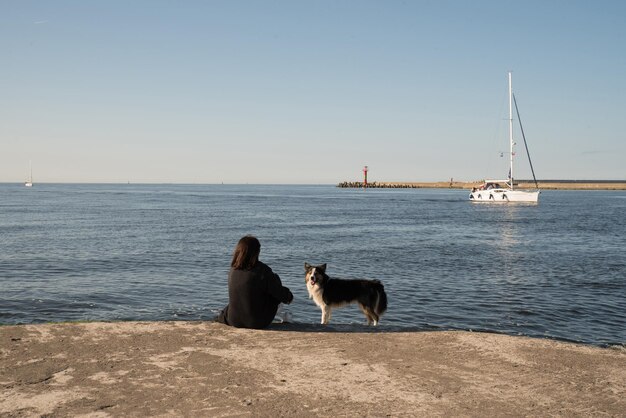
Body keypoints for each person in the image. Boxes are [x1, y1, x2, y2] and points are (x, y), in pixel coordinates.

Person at [216, 235, 293, 329]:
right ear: (256, 252)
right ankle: (284, 316)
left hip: (234, 320)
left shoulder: (233, 270)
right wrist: (289, 297)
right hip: (256, 323)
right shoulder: (262, 270)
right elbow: (279, 293)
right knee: (275, 287)